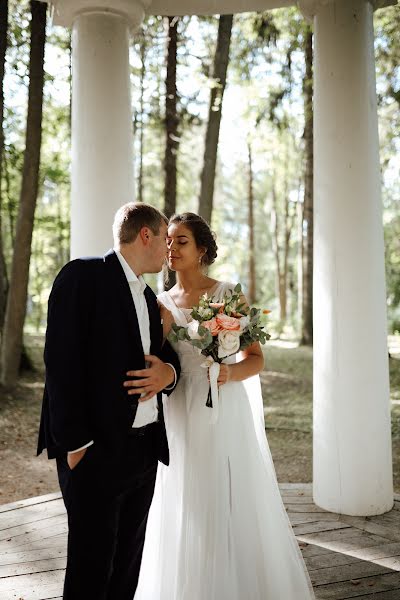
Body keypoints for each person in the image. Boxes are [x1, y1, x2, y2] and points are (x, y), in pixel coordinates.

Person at [133, 212, 315, 600]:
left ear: (202, 250)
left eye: (181, 242)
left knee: (225, 494)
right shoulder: (160, 304)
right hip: (180, 410)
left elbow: (256, 358)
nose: (171, 248)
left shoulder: (227, 294)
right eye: (168, 241)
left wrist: (229, 374)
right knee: (184, 494)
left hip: (222, 409)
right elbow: (158, 358)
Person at [37, 202, 181, 600]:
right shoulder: (83, 275)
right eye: (164, 239)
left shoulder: (149, 296)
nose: (168, 251)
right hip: (95, 451)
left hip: (143, 450)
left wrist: (168, 374)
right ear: (146, 234)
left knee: (126, 567)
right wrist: (77, 445)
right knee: (90, 568)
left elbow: (161, 358)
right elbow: (61, 362)